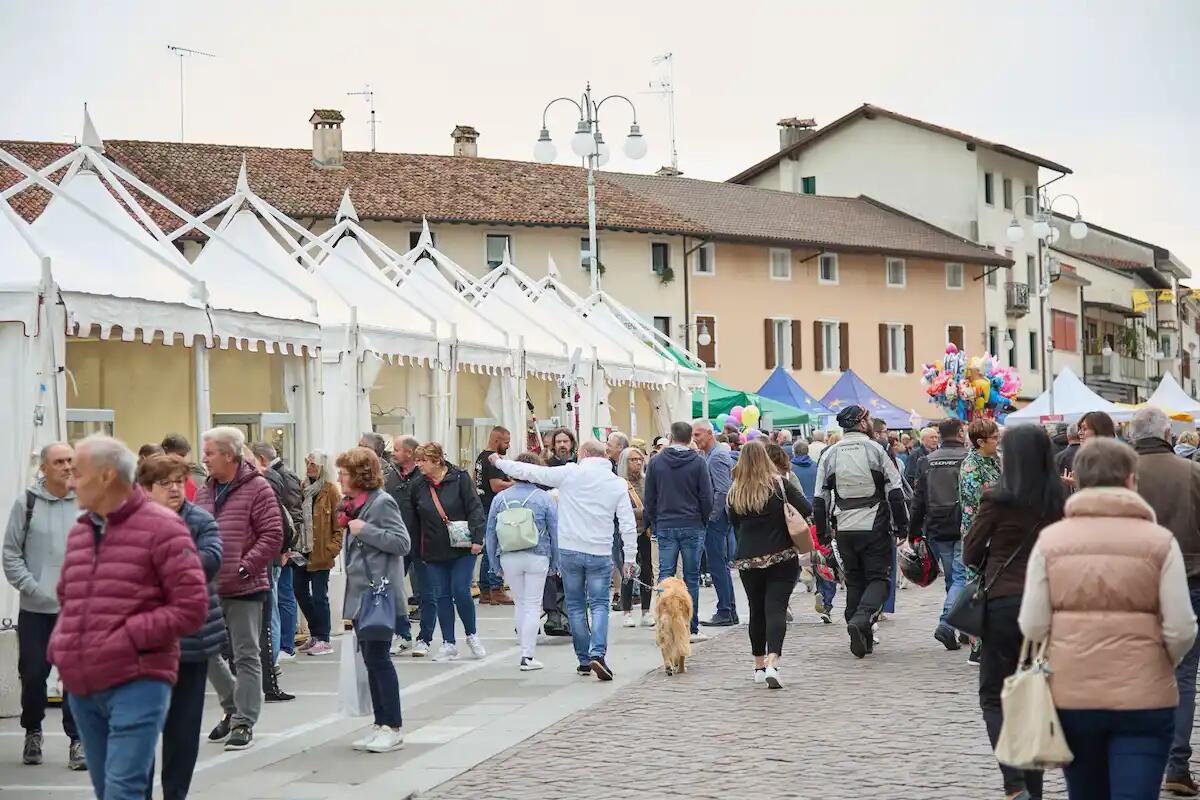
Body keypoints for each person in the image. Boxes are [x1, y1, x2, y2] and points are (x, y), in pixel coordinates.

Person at [1019, 437, 1198, 800]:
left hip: (1073, 694)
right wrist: (1160, 660)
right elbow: (1181, 627)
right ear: (1131, 479)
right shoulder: (1160, 542)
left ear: (1078, 479)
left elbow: (1033, 624)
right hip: (1144, 695)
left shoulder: (1050, 541)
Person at [50, 436, 208, 800]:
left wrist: (126, 637)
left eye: (78, 473)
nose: (71, 482)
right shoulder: (81, 531)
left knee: (123, 791)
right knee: (108, 790)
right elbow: (69, 598)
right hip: (84, 687)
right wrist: (63, 650)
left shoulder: (164, 527)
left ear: (107, 476)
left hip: (138, 680)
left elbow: (191, 607)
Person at [962, 426, 1064, 800]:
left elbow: (970, 552)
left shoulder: (997, 498)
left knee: (994, 695)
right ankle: (1031, 788)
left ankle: (1014, 781)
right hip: (1047, 604)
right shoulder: (1059, 497)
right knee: (1034, 696)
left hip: (1004, 602)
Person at [492, 440, 637, 681]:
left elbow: (531, 472)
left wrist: (500, 463)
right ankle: (598, 653)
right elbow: (627, 523)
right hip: (600, 551)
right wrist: (629, 558)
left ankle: (584, 660)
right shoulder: (617, 483)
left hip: (570, 549)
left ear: (584, 454)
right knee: (599, 604)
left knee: (576, 606)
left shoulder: (570, 473)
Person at [137, 454, 226, 800]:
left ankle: (175, 794)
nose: (175, 489)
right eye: (165, 483)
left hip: (190, 641)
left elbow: (210, 561)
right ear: (146, 489)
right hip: (143, 644)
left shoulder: (200, 520)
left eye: (179, 481)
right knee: (140, 729)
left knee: (183, 730)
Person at [196, 426, 284, 751]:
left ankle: (244, 721)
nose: (204, 459)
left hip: (246, 586)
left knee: (246, 654)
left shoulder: (258, 487)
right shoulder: (205, 491)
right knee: (204, 650)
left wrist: (245, 566)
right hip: (209, 586)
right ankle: (233, 706)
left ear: (228, 455)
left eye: (209, 453)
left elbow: (272, 535)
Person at [1128, 408, 1200, 795]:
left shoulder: (1121, 475)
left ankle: (1137, 763)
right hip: (1189, 581)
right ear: (1168, 433)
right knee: (1183, 675)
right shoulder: (1192, 473)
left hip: (1132, 585)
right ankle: (1177, 765)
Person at [4, 442, 85, 770]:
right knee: (34, 675)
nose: (67, 466)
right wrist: (32, 588)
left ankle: (78, 741)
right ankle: (33, 730)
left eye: (70, 460)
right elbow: (11, 554)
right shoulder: (27, 503)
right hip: (36, 610)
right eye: (59, 462)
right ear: (43, 468)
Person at [813, 405, 908, 659]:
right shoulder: (877, 449)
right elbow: (895, 491)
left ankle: (860, 635)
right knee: (879, 579)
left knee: (854, 580)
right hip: (874, 522)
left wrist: (822, 533)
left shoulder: (830, 453)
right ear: (862, 423)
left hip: (844, 526)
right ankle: (862, 618)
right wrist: (902, 526)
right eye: (868, 419)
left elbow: (820, 498)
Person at [338, 447, 410, 754]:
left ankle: (392, 727)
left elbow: (402, 542)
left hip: (378, 594)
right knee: (370, 660)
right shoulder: (352, 506)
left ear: (359, 475)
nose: (339, 478)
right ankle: (381, 724)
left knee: (379, 660)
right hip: (361, 596)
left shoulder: (381, 503)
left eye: (343, 473)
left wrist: (366, 530)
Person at [727, 440, 811, 689]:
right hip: (781, 555)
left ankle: (758, 666)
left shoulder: (736, 490)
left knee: (756, 610)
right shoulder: (778, 484)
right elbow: (806, 508)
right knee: (776, 609)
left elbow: (734, 523)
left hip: (748, 558)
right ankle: (773, 662)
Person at [408, 443, 487, 662]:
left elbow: (474, 508)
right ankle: (449, 643)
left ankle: (472, 635)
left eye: (423, 460)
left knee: (460, 590)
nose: (419, 465)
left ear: (437, 461)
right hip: (433, 548)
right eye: (417, 460)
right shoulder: (418, 486)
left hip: (462, 547)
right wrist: (416, 549)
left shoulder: (460, 478)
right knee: (441, 595)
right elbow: (414, 520)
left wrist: (477, 538)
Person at [484, 452, 559, 670]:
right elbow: (554, 532)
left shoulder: (500, 498)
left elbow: (491, 533)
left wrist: (494, 562)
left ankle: (523, 648)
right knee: (533, 604)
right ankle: (528, 655)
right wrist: (556, 562)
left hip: (509, 555)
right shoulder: (543, 498)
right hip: (538, 554)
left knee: (520, 603)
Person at [644, 421, 713, 639]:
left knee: (665, 576)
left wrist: (654, 521)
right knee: (691, 577)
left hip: (666, 523)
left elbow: (650, 497)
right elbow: (706, 496)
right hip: (692, 524)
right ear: (690, 438)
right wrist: (703, 519)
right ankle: (690, 627)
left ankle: (665, 626)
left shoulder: (656, 462)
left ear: (670, 437)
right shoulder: (698, 462)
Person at [908, 417, 969, 651]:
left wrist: (913, 531)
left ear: (941, 435)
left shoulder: (927, 461)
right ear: (960, 433)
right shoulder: (968, 458)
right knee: (961, 577)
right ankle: (947, 623)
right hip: (963, 523)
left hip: (937, 525)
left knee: (953, 578)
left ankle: (961, 627)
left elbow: (918, 500)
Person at [251, 442, 302, 667]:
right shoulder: (276, 477)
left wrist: (286, 548)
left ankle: (283, 648)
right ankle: (277, 652)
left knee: (280, 600)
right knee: (277, 600)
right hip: (278, 549)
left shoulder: (275, 479)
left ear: (261, 459)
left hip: (278, 551)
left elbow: (289, 516)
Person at [294, 451, 343, 657]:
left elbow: (339, 524)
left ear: (323, 467)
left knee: (319, 596)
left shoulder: (330, 490)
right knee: (299, 591)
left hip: (321, 552)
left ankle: (323, 638)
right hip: (301, 550)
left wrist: (333, 548)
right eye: (308, 463)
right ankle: (315, 633)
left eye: (313, 464)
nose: (310, 467)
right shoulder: (302, 488)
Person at [693, 421, 740, 627]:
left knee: (717, 564)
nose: (695, 439)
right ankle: (728, 609)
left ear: (709, 433)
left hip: (717, 518)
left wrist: (711, 516)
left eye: (698, 434)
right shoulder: (710, 454)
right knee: (718, 563)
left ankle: (725, 610)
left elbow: (722, 490)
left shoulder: (717, 456)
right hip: (717, 517)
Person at [389, 436, 427, 655]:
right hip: (397, 541)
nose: (393, 453)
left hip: (422, 541)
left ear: (409, 453)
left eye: (397, 449)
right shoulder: (391, 476)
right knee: (393, 588)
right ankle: (402, 634)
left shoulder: (423, 477)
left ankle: (425, 638)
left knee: (426, 593)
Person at [474, 426, 515, 606]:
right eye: (506, 442)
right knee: (494, 549)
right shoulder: (494, 460)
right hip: (492, 507)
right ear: (496, 440)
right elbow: (496, 486)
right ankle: (495, 588)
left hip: (481, 506)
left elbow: (474, 479)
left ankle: (485, 590)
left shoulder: (480, 457)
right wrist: (516, 483)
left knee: (489, 549)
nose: (508, 446)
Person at [616, 446, 655, 628]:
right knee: (628, 570)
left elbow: (653, 505)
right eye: (633, 460)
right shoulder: (619, 484)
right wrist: (641, 512)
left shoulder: (648, 482)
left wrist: (642, 513)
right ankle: (627, 611)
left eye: (639, 459)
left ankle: (646, 611)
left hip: (645, 531)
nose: (638, 463)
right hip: (626, 532)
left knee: (647, 570)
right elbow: (619, 511)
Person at [162, 433, 206, 502]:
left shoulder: (193, 476)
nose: (181, 460)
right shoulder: (159, 474)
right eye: (180, 455)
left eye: (183, 456)